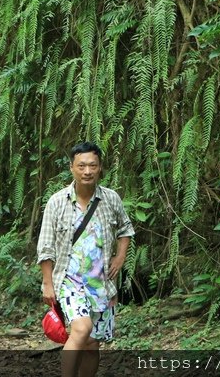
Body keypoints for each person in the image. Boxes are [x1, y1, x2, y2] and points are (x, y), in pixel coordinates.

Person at [37, 142, 135, 377]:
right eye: (81, 166)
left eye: (92, 165)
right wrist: (47, 283)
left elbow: (125, 229)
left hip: (101, 284)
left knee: (92, 345)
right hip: (69, 281)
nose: (87, 171)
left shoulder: (110, 199)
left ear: (100, 168)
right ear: (72, 168)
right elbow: (45, 247)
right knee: (81, 329)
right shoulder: (57, 202)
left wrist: (120, 257)